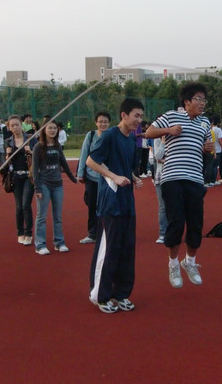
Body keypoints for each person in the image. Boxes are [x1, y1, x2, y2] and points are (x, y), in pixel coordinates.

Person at [146, 82, 214, 289]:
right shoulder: (171, 116)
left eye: (204, 100)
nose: (202, 103)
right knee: (176, 222)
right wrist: (168, 130)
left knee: (196, 223)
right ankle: (173, 264)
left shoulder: (205, 122)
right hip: (172, 177)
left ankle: (190, 262)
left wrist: (207, 147)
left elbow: (206, 147)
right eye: (198, 99)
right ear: (186, 102)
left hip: (195, 178)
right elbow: (149, 132)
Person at [86, 98, 144, 313]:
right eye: (136, 115)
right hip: (110, 203)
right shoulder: (109, 135)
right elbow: (91, 161)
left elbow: (125, 166)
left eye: (141, 116)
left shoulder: (131, 139)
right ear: (124, 115)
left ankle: (121, 293)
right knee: (108, 249)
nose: (139, 120)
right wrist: (114, 177)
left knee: (126, 249)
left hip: (127, 202)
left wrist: (133, 177)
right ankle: (101, 295)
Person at [33, 121, 77, 255]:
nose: (52, 130)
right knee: (42, 216)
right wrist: (37, 188)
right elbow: (35, 169)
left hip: (58, 185)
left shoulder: (57, 146)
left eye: (54, 128)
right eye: (50, 128)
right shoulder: (38, 147)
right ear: (44, 130)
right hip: (44, 184)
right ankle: (40, 244)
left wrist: (73, 178)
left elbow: (63, 163)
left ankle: (59, 242)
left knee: (58, 216)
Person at [77, 111, 111, 244]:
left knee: (107, 205)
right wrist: (80, 172)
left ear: (109, 123)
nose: (103, 124)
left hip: (107, 177)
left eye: (105, 122)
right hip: (92, 177)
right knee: (92, 205)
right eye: (100, 121)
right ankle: (92, 234)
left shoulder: (112, 136)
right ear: (96, 123)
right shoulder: (90, 135)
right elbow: (84, 153)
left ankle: (107, 232)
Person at [6, 115, 36, 246]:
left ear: (21, 125)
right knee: (18, 206)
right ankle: (20, 232)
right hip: (15, 176)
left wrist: (31, 152)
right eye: (12, 125)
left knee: (25, 204)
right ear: (9, 127)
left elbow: (39, 156)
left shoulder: (30, 139)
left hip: (28, 176)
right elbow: (6, 163)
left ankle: (28, 233)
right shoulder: (8, 142)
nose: (15, 127)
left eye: (17, 125)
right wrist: (7, 156)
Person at [153, 135, 168, 244]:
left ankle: (173, 231)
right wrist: (163, 142)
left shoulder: (175, 138)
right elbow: (157, 156)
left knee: (175, 205)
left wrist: (163, 160)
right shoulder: (157, 139)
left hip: (174, 176)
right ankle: (163, 233)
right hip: (161, 175)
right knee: (162, 206)